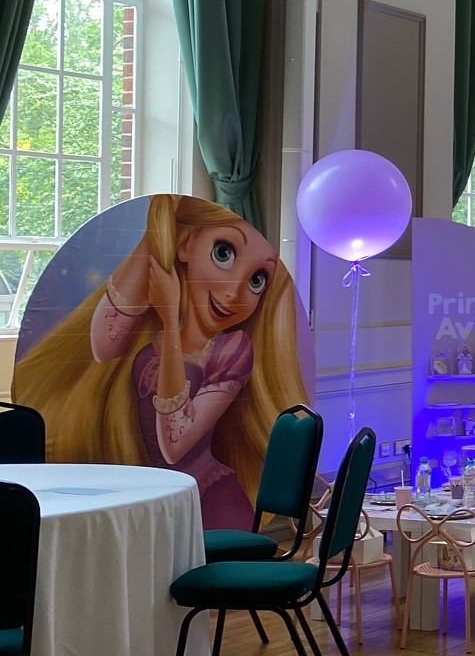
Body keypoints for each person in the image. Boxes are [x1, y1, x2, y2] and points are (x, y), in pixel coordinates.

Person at [14, 196, 308, 531]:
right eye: (223, 253)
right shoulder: (149, 329)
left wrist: (170, 321)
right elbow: (102, 344)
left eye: (257, 279)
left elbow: (174, 444)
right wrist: (158, 232)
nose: (234, 292)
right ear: (186, 245)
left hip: (207, 502)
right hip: (153, 497)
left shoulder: (233, 348)